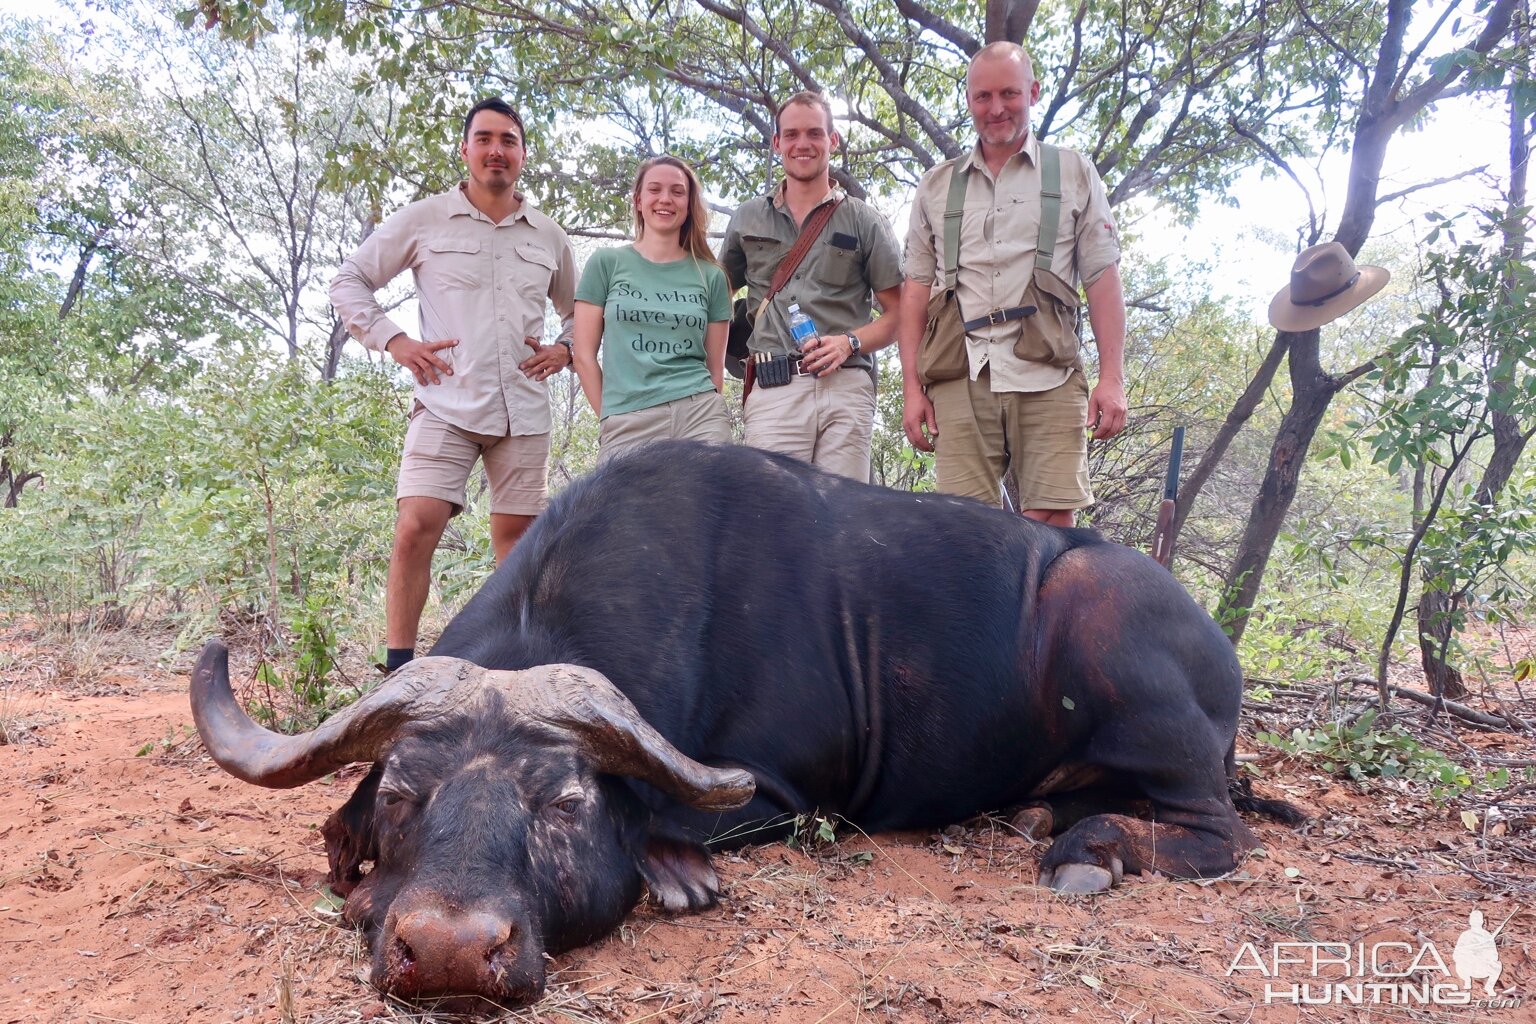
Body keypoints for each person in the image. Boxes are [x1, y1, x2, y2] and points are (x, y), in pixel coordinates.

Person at [330, 97, 576, 672]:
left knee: (519, 547)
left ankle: (516, 675)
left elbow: (582, 311)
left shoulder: (547, 234)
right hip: (445, 401)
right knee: (416, 525)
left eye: (508, 140)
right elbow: (350, 280)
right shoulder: (425, 218)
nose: (497, 150)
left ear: (522, 154)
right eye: (485, 138)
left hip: (524, 409)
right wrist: (395, 341)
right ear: (465, 149)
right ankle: (399, 674)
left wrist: (565, 349)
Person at [899, 42, 1127, 525]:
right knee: (966, 537)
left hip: (1049, 372)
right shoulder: (936, 185)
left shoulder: (1073, 171)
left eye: (1009, 93)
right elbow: (915, 292)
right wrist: (912, 390)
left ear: (1033, 92)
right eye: (983, 97)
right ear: (968, 101)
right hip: (960, 373)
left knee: (1052, 529)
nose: (996, 108)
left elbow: (1103, 279)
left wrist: (1112, 379)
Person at [721, 91, 903, 481]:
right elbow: (715, 298)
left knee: (846, 523)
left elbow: (900, 314)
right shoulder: (747, 218)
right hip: (773, 388)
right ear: (777, 143)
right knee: (771, 520)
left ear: (832, 141)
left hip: (846, 387)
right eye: (791, 135)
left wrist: (848, 342)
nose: (802, 144)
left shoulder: (865, 220)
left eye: (814, 133)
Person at [572, 156, 731, 459]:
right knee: (626, 508)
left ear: (689, 203)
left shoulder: (711, 275)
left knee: (710, 507)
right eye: (655, 190)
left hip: (700, 416)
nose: (665, 199)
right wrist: (609, 415)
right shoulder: (606, 263)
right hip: (628, 421)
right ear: (639, 200)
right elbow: (583, 355)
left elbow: (714, 369)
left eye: (677, 191)